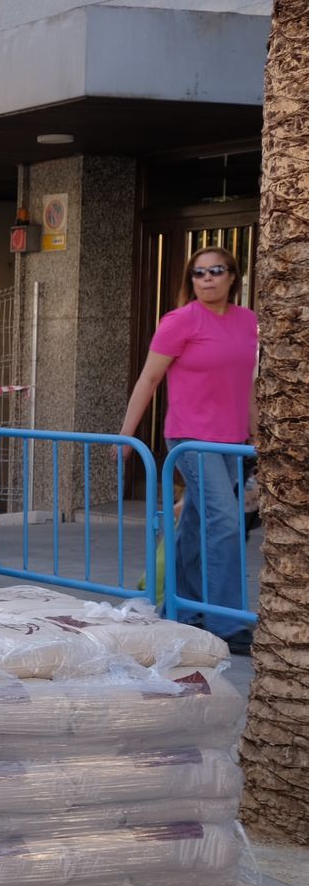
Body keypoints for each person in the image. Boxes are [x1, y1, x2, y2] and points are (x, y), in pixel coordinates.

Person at [120, 247, 258, 646]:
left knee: (198, 525)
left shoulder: (247, 321)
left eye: (217, 271)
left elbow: (245, 384)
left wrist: (257, 435)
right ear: (191, 280)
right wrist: (127, 436)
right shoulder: (179, 322)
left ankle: (183, 609)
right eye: (199, 273)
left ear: (233, 276)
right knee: (226, 522)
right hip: (191, 438)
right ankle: (227, 624)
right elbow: (148, 381)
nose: (208, 279)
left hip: (233, 440)